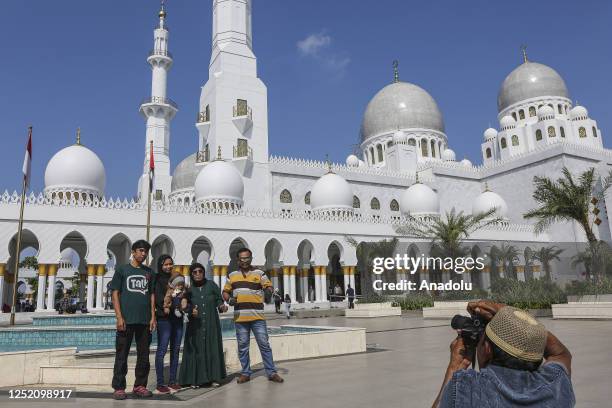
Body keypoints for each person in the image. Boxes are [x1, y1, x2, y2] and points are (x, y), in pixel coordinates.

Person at [432, 300, 575, 408]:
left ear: (487, 349)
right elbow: (561, 354)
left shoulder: (465, 388)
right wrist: (517, 319)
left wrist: (455, 367)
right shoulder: (555, 384)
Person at [222, 248, 284, 384]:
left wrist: (268, 291)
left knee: (264, 345)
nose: (244, 261)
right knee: (243, 346)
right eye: (242, 258)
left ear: (251, 258)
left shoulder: (260, 273)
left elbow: (268, 286)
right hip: (240, 318)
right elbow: (225, 292)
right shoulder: (232, 275)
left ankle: (271, 372)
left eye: (247, 258)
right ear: (238, 260)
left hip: (257, 317)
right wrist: (229, 299)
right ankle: (245, 373)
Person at [110, 240, 156, 400]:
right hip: (126, 321)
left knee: (144, 355)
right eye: (141, 251)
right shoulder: (122, 270)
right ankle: (119, 387)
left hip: (144, 321)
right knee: (122, 354)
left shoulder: (149, 273)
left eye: (145, 252)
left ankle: (140, 386)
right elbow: (115, 293)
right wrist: (119, 316)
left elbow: (151, 295)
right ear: (133, 251)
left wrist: (152, 317)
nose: (143, 254)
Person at [179, 263, 228, 388]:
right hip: (195, 326)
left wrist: (222, 306)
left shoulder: (211, 285)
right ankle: (194, 379)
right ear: (191, 274)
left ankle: (214, 377)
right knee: (196, 350)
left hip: (211, 323)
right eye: (194, 272)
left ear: (203, 272)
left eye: (200, 271)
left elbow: (219, 300)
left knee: (212, 348)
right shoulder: (188, 289)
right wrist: (190, 310)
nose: (197, 274)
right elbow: (184, 306)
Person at [154, 255, 184, 394]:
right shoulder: (158, 279)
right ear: (160, 265)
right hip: (164, 318)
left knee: (176, 349)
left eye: (170, 264)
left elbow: (183, 294)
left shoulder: (176, 279)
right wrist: (171, 304)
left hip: (177, 318)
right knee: (162, 349)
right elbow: (159, 299)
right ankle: (160, 383)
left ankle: (172, 381)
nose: (168, 266)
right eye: (165, 264)